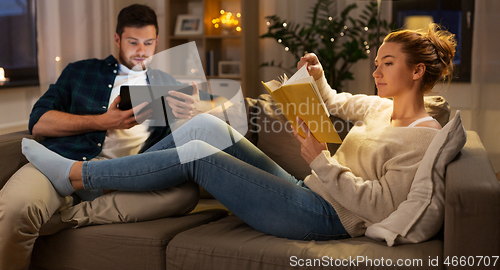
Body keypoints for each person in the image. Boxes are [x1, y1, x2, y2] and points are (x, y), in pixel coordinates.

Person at [23, 23, 456, 241]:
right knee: (205, 125)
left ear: (417, 72)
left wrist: (321, 162)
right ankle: (99, 180)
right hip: (312, 188)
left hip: (330, 218)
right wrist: (317, 78)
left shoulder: (423, 138)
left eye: (387, 63)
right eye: (377, 61)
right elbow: (338, 102)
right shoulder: (380, 108)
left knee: (199, 155)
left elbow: (380, 206)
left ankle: (78, 175)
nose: (376, 70)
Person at [0, 4, 224, 270]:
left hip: (125, 177)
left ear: (157, 41)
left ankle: (64, 219)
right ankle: (65, 201)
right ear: (117, 39)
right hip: (60, 163)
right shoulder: (81, 72)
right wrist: (104, 121)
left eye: (149, 43)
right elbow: (38, 122)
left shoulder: (167, 82)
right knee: (15, 210)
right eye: (133, 42)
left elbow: (219, 103)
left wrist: (198, 107)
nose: (141, 51)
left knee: (185, 194)